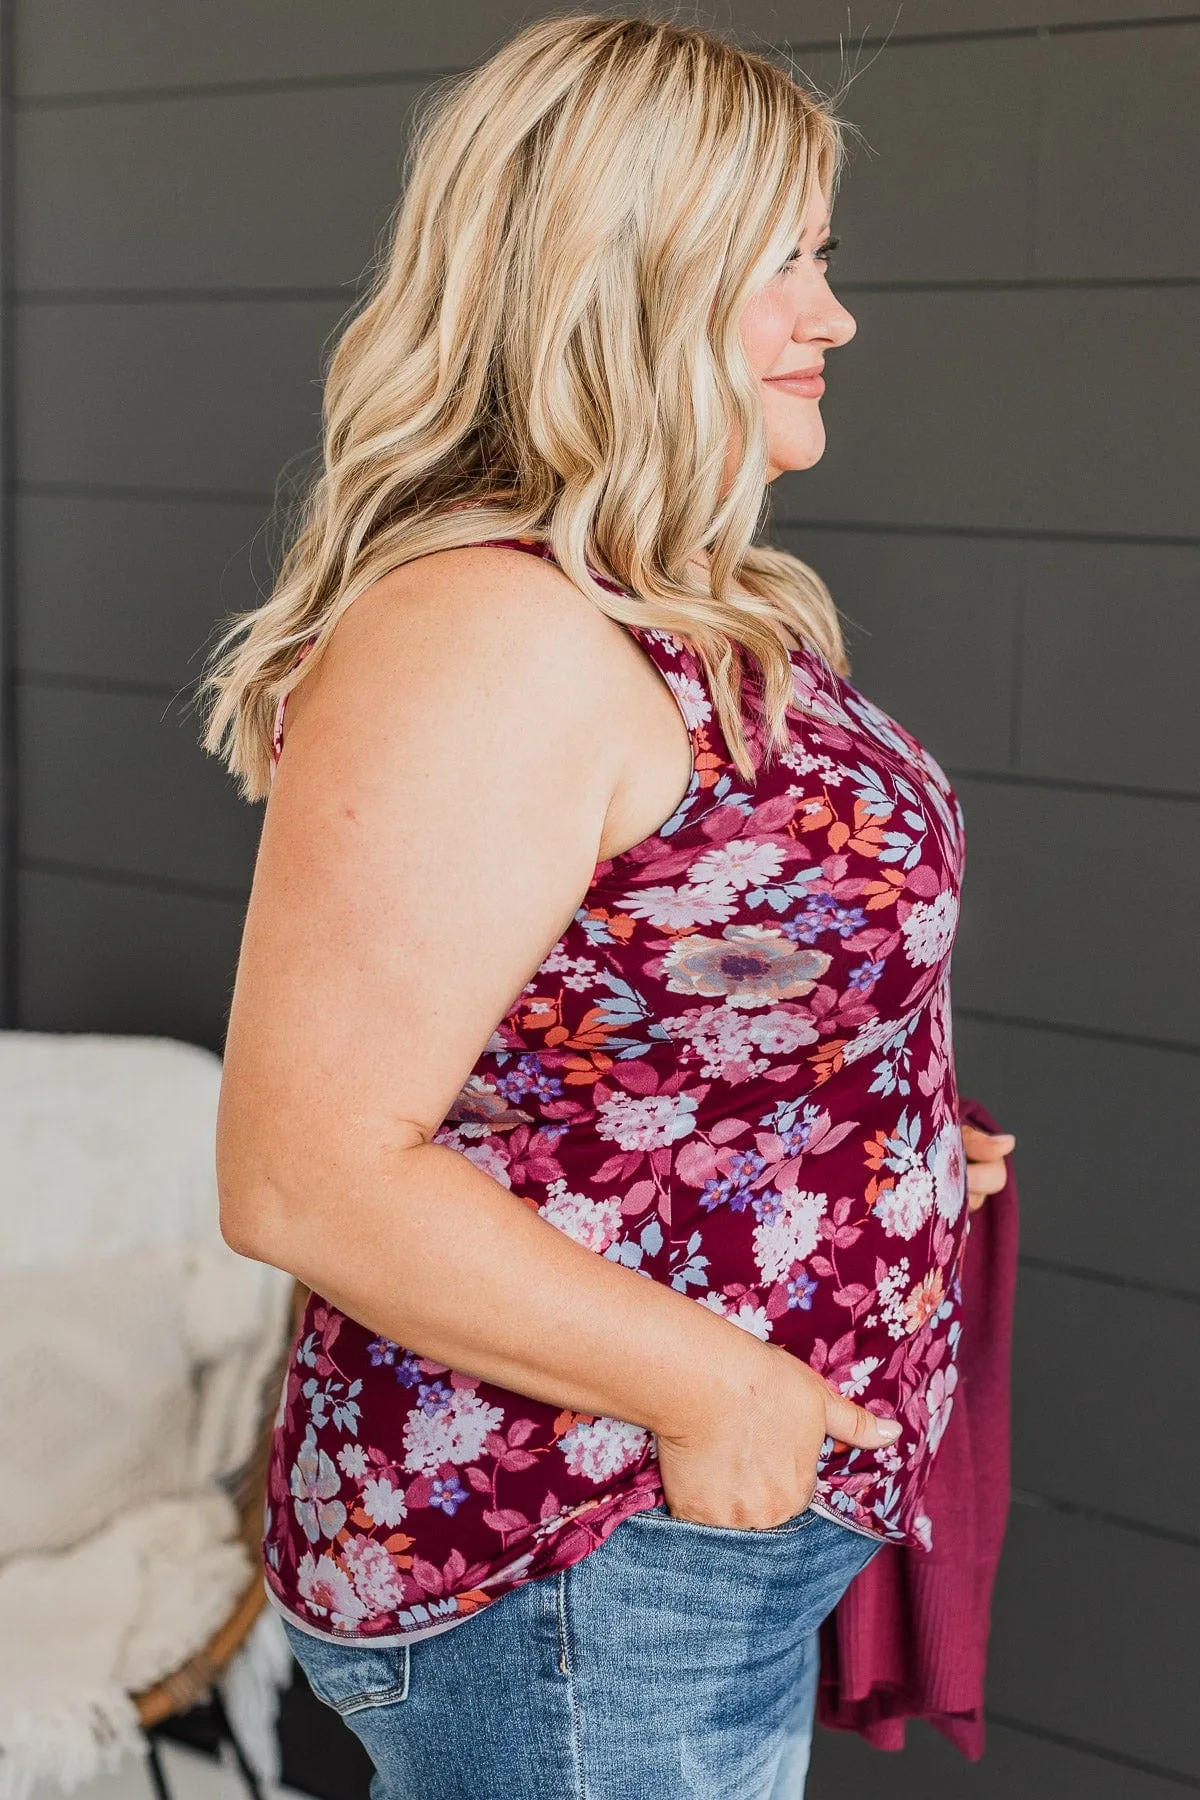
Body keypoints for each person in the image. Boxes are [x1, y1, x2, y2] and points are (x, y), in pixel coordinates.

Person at [203, 15, 1015, 1797]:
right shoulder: (481, 639)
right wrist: (726, 1392)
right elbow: (305, 1169)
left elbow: (615, 1007)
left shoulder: (676, 596)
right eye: (787, 262)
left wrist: (853, 1122)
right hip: (573, 1553)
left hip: (679, 1548)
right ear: (628, 280)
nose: (834, 316)